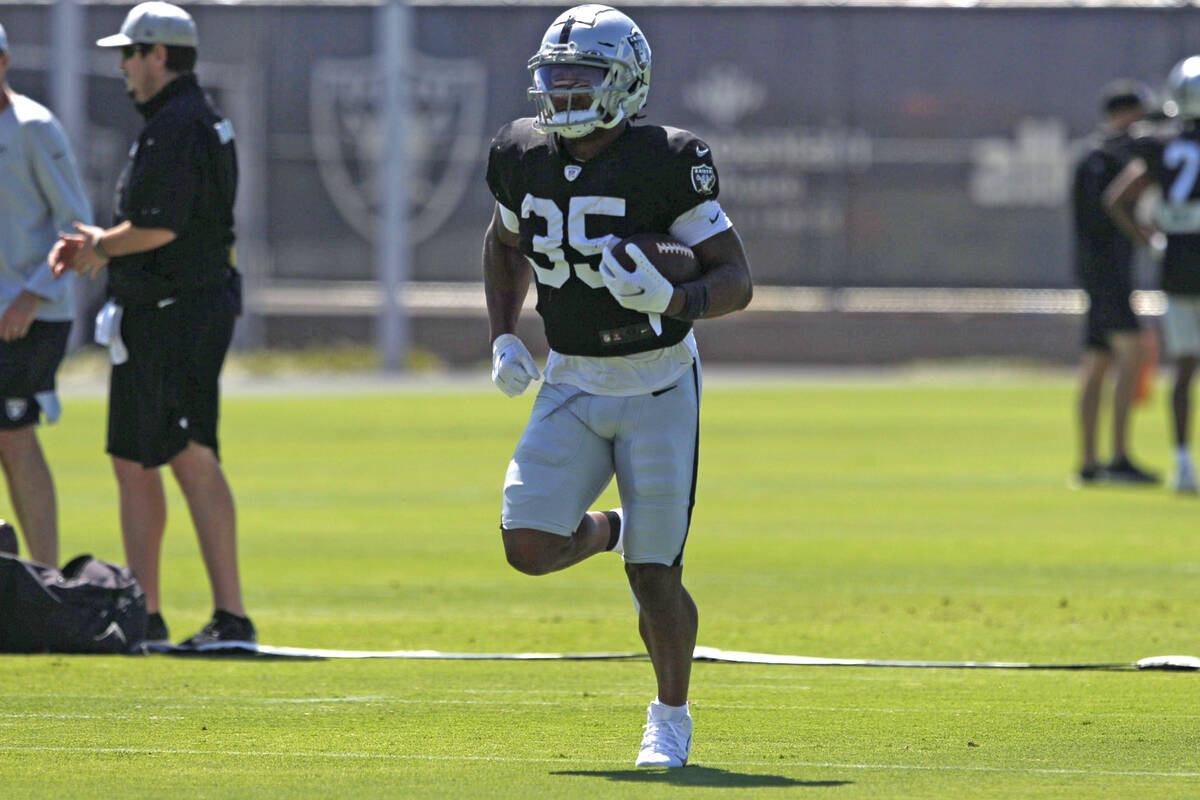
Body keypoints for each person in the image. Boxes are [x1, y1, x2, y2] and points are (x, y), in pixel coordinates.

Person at [483, 4, 753, 768]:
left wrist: (676, 299)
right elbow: (503, 244)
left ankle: (670, 716)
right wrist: (504, 331)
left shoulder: (668, 158)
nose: (563, 94)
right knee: (528, 547)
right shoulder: (519, 150)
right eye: (555, 78)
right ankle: (610, 527)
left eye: (582, 78)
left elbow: (736, 279)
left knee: (656, 577)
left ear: (627, 83)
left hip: (660, 382)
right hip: (570, 377)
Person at [49, 1, 255, 649]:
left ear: (158, 56)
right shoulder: (185, 120)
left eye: (130, 54)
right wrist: (105, 243)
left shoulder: (179, 125)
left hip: (178, 311)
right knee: (135, 458)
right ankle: (146, 614)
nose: (123, 67)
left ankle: (231, 617)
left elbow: (162, 225)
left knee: (189, 454)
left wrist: (99, 248)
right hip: (161, 310)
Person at [0, 22, 93, 566]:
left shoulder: (33, 127)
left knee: (14, 435)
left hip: (31, 314)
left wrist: (30, 297)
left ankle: (47, 578)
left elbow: (77, 226)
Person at [1106, 57, 1200, 495]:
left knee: (1183, 368)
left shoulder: (1161, 145)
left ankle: (1183, 461)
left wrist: (1151, 238)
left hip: (1178, 264)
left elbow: (1119, 199)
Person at [1070, 80, 1158, 486]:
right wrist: (1147, 236)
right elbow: (1110, 211)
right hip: (1107, 272)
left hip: (1097, 271)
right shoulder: (1106, 156)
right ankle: (1118, 456)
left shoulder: (1090, 154)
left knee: (1098, 359)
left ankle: (1089, 462)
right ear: (1127, 113)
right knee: (1132, 351)